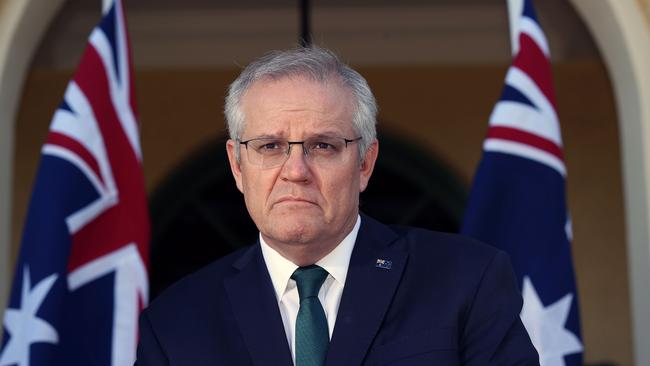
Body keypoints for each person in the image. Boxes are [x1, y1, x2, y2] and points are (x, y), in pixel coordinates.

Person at [135, 46, 539, 366]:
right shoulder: (176, 322)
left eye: (323, 146)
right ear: (237, 166)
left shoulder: (465, 281)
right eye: (270, 146)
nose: (295, 170)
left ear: (365, 163)